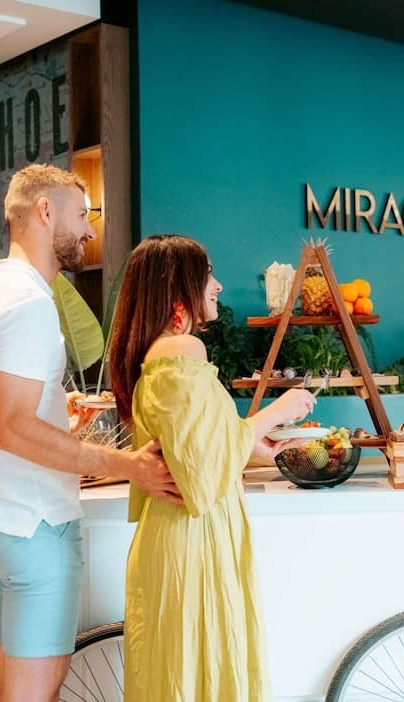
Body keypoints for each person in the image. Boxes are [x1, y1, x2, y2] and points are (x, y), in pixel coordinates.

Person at [0, 164, 182, 702]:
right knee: (34, 691)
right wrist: (127, 464)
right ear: (45, 211)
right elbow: (13, 425)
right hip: (33, 522)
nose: (89, 229)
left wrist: (50, 411)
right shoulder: (30, 304)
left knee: (13, 686)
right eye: (82, 215)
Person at [108, 234, 316, 701]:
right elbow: (202, 467)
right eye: (207, 276)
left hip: (177, 534)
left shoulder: (155, 352)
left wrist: (254, 444)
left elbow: (194, 448)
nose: (218, 285)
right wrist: (277, 411)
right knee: (205, 671)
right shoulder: (182, 350)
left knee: (175, 675)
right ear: (177, 290)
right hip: (194, 536)